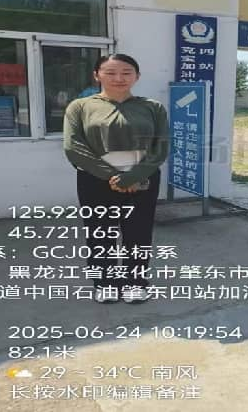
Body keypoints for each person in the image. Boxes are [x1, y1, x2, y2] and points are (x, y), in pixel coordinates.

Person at [63, 54, 169, 304]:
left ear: (137, 76)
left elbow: (161, 146)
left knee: (138, 233)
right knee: (100, 234)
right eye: (110, 73)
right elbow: (73, 146)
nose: (119, 78)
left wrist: (134, 176)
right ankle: (105, 283)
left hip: (142, 178)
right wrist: (114, 176)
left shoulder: (153, 107)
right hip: (95, 179)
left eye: (126, 72)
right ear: (96, 75)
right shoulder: (80, 107)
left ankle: (135, 283)